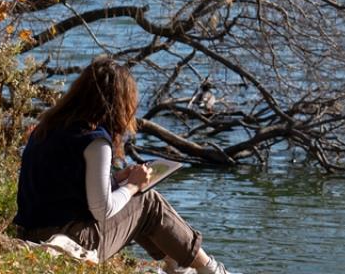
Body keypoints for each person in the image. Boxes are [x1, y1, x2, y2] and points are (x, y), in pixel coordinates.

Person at [13, 56, 238, 274]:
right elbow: (102, 210)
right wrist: (132, 186)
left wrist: (117, 180)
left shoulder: (48, 127)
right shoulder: (94, 141)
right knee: (147, 202)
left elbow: (64, 188)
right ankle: (210, 270)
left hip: (31, 234)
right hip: (69, 242)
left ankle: (181, 266)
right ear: (118, 102)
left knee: (138, 203)